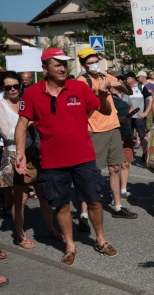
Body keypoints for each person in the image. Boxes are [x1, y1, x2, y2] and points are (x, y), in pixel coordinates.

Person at [15, 47, 117, 265]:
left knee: (94, 200)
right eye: (57, 64)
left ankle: (100, 239)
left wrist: (103, 95)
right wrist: (20, 153)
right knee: (61, 204)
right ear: (45, 68)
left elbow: (105, 111)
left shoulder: (78, 87)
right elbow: (21, 125)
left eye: (65, 64)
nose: (63, 68)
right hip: (53, 161)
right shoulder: (32, 93)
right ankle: (70, 245)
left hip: (83, 157)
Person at [76, 48, 137, 229]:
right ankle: (84, 214)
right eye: (90, 62)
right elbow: (85, 104)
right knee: (89, 173)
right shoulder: (82, 81)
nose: (94, 64)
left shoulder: (104, 76)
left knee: (115, 168)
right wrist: (99, 92)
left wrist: (119, 85)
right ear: (83, 64)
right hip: (94, 130)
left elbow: (129, 91)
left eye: (96, 61)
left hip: (113, 128)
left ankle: (117, 206)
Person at [0, 71, 62, 248]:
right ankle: (19, 236)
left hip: (36, 152)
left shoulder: (26, 102)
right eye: (8, 87)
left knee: (44, 194)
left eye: (16, 86)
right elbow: (9, 135)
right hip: (15, 154)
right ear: (2, 88)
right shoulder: (1, 107)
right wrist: (28, 122)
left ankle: (51, 229)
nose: (13, 90)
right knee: (22, 199)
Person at [109, 72, 137, 201]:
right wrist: (116, 119)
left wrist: (128, 117)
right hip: (114, 132)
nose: (120, 81)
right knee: (115, 165)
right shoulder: (108, 95)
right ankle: (114, 191)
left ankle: (124, 189)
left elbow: (131, 108)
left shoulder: (126, 95)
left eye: (121, 79)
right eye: (117, 79)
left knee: (126, 163)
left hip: (127, 131)